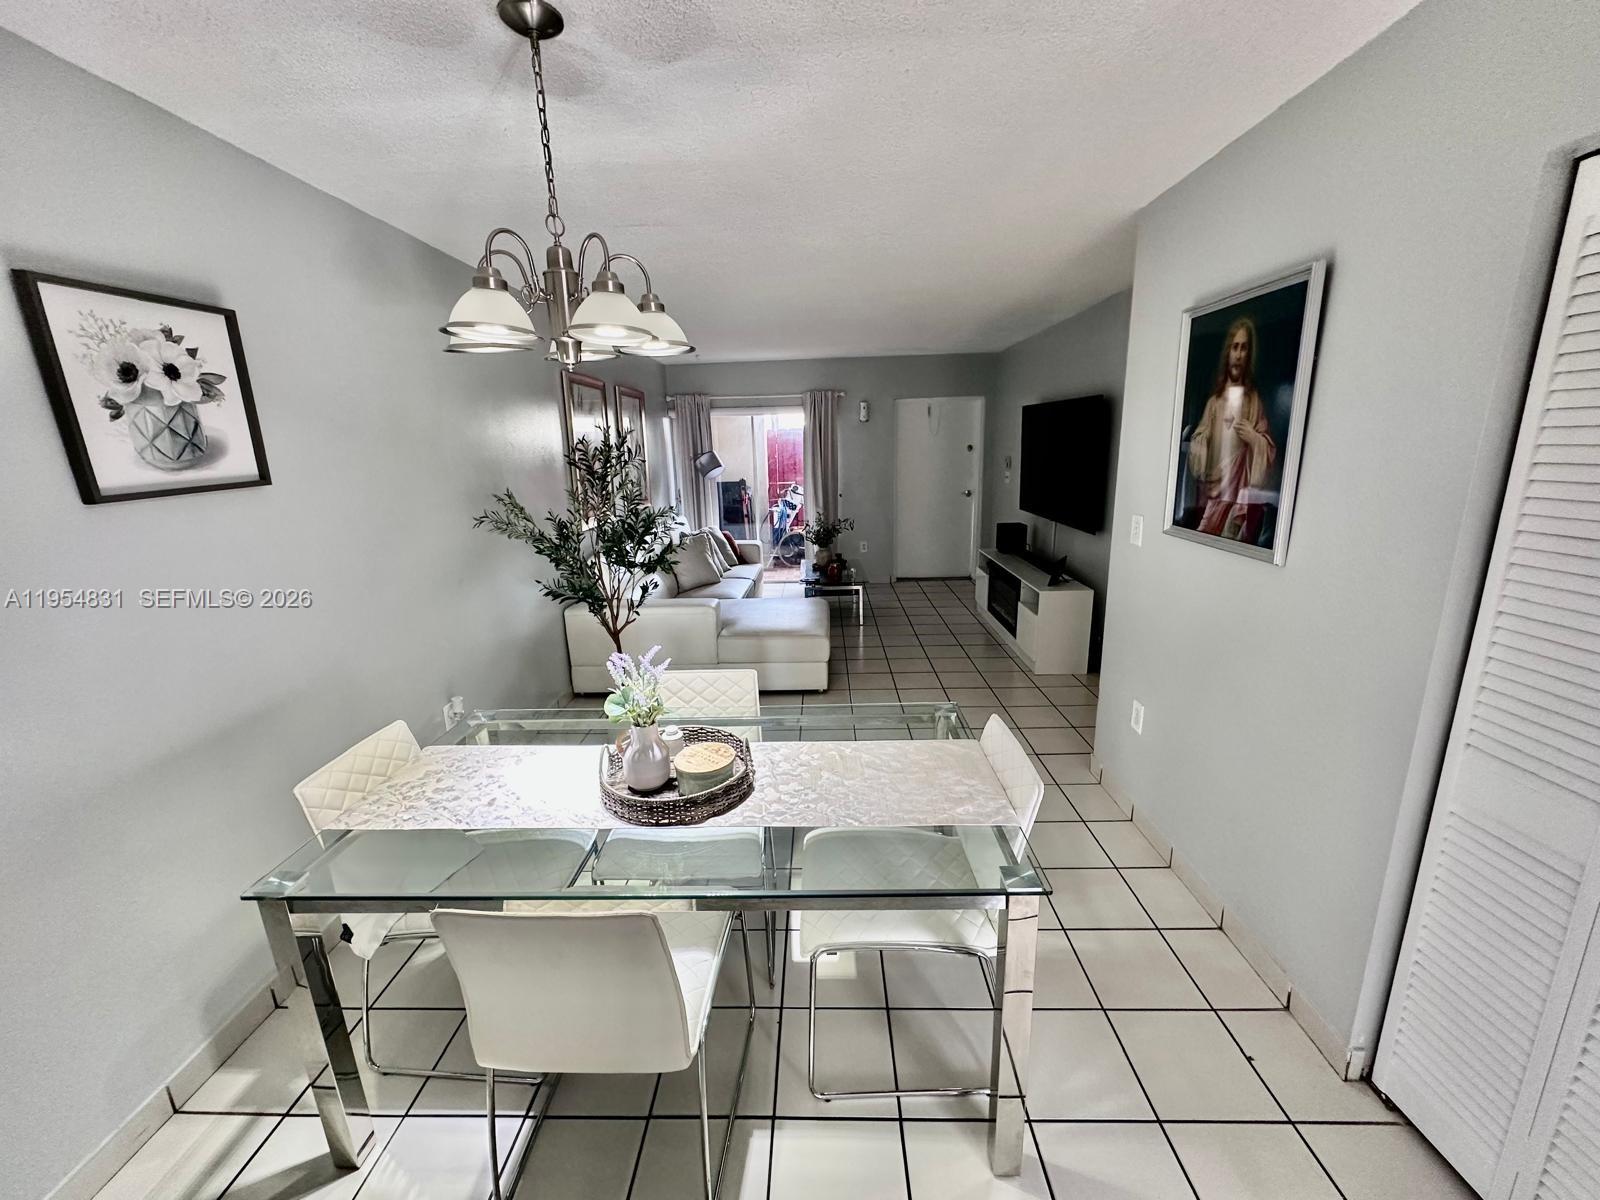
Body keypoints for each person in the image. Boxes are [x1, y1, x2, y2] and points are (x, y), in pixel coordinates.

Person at [1186, 316, 1276, 541]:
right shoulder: (1214, 402)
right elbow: (1200, 436)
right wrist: (1202, 439)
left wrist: (1254, 438)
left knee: (1230, 536)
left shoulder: (1254, 401)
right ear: (1228, 352)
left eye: (1244, 348)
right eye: (1234, 347)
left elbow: (1266, 445)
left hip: (1238, 494)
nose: (1238, 354)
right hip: (1213, 490)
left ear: (1248, 355)